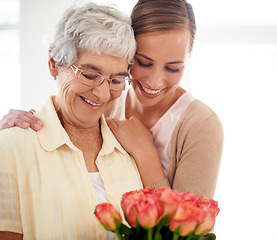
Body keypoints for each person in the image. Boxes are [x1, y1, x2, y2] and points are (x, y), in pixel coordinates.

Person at [0, 0, 223, 199]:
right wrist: (22, 126)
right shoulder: (106, 101)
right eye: (143, 63)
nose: (155, 82)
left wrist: (146, 156)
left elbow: (193, 232)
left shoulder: (200, 125)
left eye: (173, 67)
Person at [0, 2, 143, 240]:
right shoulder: (10, 149)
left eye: (116, 80)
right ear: (54, 63)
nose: (103, 94)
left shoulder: (130, 149)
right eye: (89, 75)